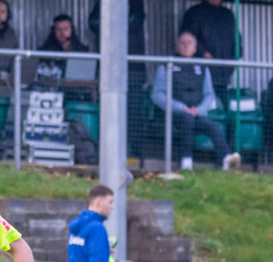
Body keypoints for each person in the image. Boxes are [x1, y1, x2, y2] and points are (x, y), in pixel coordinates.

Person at [151, 31, 241, 172]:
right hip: (174, 115)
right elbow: (157, 95)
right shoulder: (167, 65)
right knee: (187, 119)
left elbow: (209, 94)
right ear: (177, 46)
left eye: (189, 43)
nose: (186, 46)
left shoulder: (203, 67)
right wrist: (181, 108)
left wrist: (198, 110)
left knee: (213, 127)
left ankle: (225, 159)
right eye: (182, 43)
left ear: (195, 48)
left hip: (197, 114)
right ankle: (186, 162)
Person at [88, 0, 146, 157]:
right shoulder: (103, 2)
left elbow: (136, 21)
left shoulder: (136, 3)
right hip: (108, 67)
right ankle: (106, 153)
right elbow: (93, 23)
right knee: (107, 113)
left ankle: (134, 153)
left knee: (133, 114)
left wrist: (112, 26)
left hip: (133, 70)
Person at [180, 0, 240, 103]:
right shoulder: (195, 12)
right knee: (202, 103)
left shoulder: (228, 15)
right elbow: (186, 37)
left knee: (223, 104)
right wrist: (203, 53)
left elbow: (236, 39)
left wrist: (234, 58)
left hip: (223, 72)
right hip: (199, 73)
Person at [38, 14, 89, 79]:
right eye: (58, 29)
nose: (62, 33)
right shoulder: (45, 52)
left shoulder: (82, 51)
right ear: (53, 31)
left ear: (71, 29)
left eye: (65, 29)